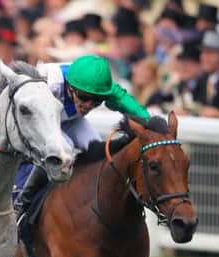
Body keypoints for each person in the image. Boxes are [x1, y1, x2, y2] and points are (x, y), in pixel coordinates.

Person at [14, 54, 151, 221]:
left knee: (98, 152)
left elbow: (128, 103)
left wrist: (151, 124)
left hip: (69, 120)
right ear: (70, 87)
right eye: (85, 98)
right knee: (64, 149)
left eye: (97, 101)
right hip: (38, 124)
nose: (88, 105)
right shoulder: (48, 82)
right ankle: (21, 202)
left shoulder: (98, 85)